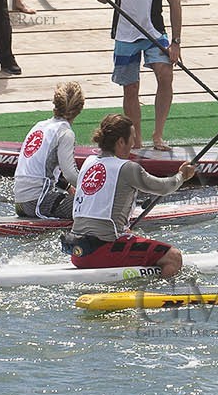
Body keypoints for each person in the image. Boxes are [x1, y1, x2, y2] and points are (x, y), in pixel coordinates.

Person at [83, 0, 183, 149]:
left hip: (154, 31)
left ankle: (158, 135)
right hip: (125, 33)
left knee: (166, 76)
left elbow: (175, 1)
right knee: (130, 88)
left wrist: (176, 42)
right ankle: (135, 140)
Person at [65, 113, 194, 277]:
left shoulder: (88, 162)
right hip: (101, 252)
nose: (134, 143)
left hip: (77, 253)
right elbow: (164, 187)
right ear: (121, 142)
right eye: (133, 138)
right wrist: (182, 175)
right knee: (173, 257)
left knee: (133, 236)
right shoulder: (128, 168)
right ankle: (156, 292)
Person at [13, 81, 85, 219]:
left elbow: (42, 167)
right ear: (80, 108)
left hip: (20, 202)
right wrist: (96, 192)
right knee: (95, 205)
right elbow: (70, 173)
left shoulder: (40, 126)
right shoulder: (65, 133)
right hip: (37, 202)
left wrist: (68, 187)